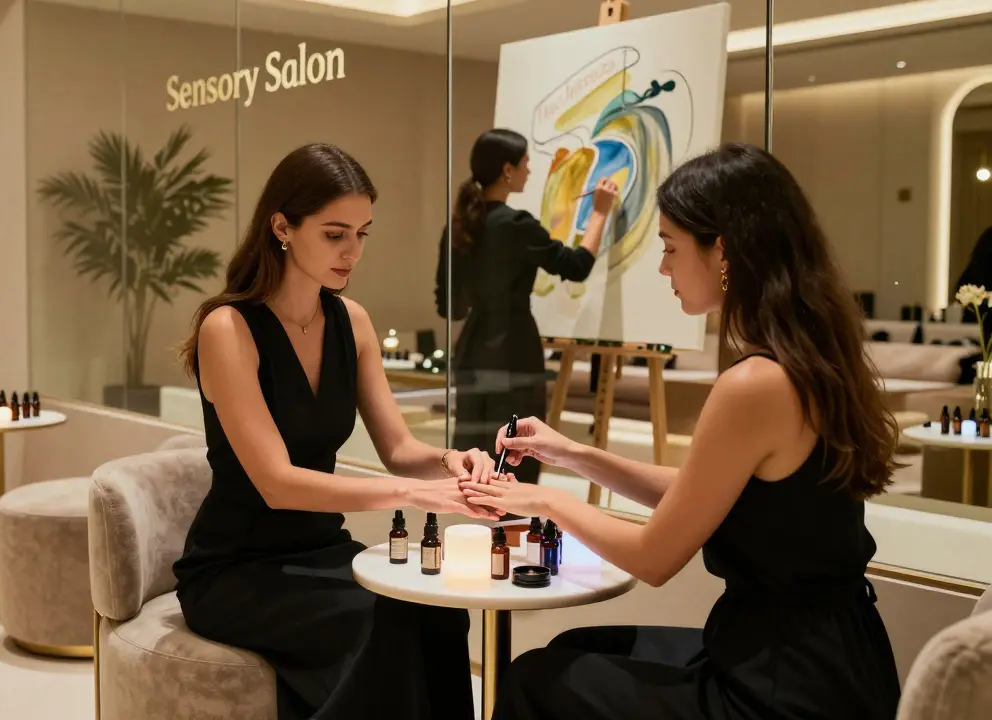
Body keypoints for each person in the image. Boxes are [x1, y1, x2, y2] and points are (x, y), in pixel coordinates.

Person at [460, 142, 902, 720]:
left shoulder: (755, 385)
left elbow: (653, 557)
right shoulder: (808, 359)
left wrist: (542, 499)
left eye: (670, 247)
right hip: (829, 655)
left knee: (535, 680)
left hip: (785, 684)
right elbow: (708, 492)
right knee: (574, 649)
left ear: (724, 250)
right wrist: (570, 453)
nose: (663, 267)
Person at [174, 142, 494, 720]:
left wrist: (451, 460)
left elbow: (398, 448)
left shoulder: (354, 322)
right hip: (236, 568)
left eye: (362, 234)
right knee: (379, 627)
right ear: (282, 227)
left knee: (440, 610)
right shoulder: (229, 329)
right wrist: (413, 493)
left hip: (322, 548)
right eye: (334, 234)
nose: (353, 251)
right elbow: (277, 483)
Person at [435, 128, 617, 484]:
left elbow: (449, 308)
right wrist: (599, 213)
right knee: (515, 462)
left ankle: (477, 520)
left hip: (471, 354)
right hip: (514, 357)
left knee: (474, 465)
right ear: (508, 170)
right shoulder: (516, 225)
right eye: (525, 163)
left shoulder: (456, 228)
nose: (529, 171)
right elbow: (576, 266)